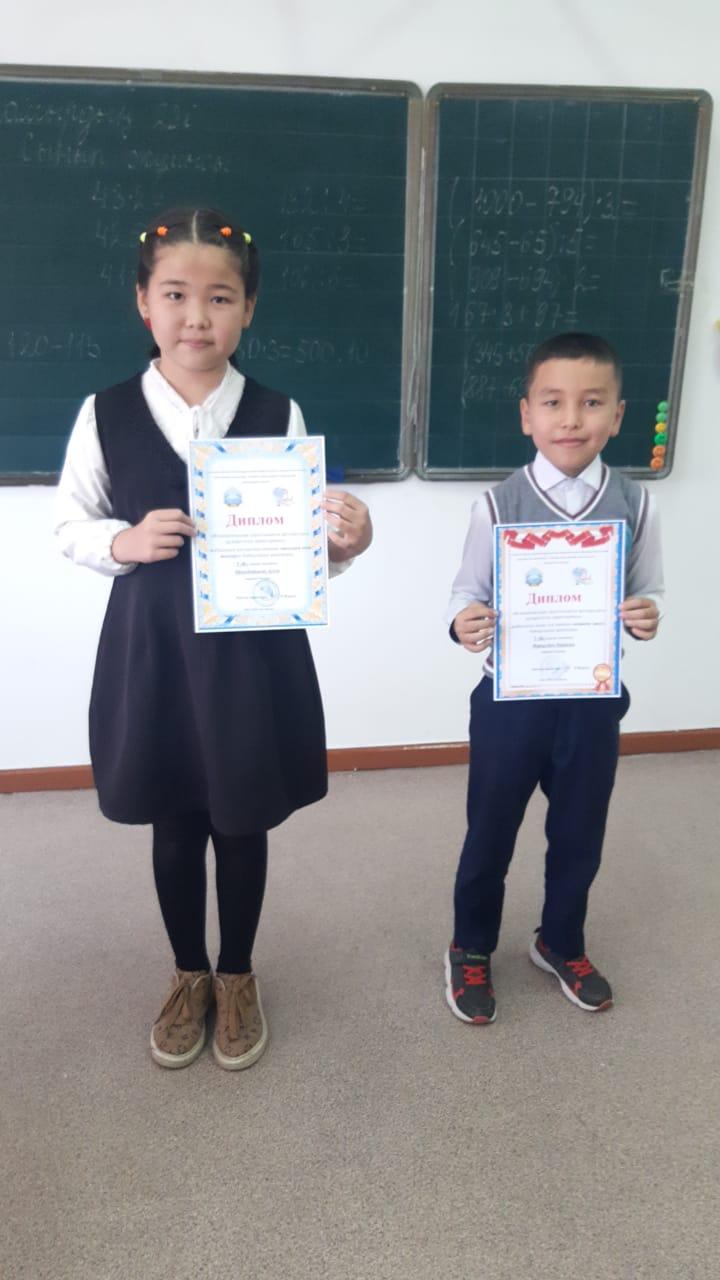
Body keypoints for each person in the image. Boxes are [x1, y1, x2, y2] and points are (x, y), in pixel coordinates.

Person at [56, 207, 372, 1070]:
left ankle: (236, 973)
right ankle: (187, 971)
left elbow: (306, 544)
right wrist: (123, 540)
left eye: (220, 298)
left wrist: (347, 542)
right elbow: (69, 524)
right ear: (143, 303)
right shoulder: (106, 412)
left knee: (242, 817)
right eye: (175, 295)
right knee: (174, 815)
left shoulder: (275, 409)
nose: (197, 316)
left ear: (248, 309)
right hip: (154, 651)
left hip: (249, 657)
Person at [445, 333, 663, 1024]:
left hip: (592, 702)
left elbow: (648, 592)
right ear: (526, 414)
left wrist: (646, 616)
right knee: (490, 831)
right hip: (510, 702)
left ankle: (560, 940)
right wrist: (464, 623)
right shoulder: (497, 504)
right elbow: (464, 593)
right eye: (553, 402)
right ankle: (470, 945)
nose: (571, 419)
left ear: (618, 415)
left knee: (579, 833)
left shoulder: (636, 503)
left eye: (591, 403)